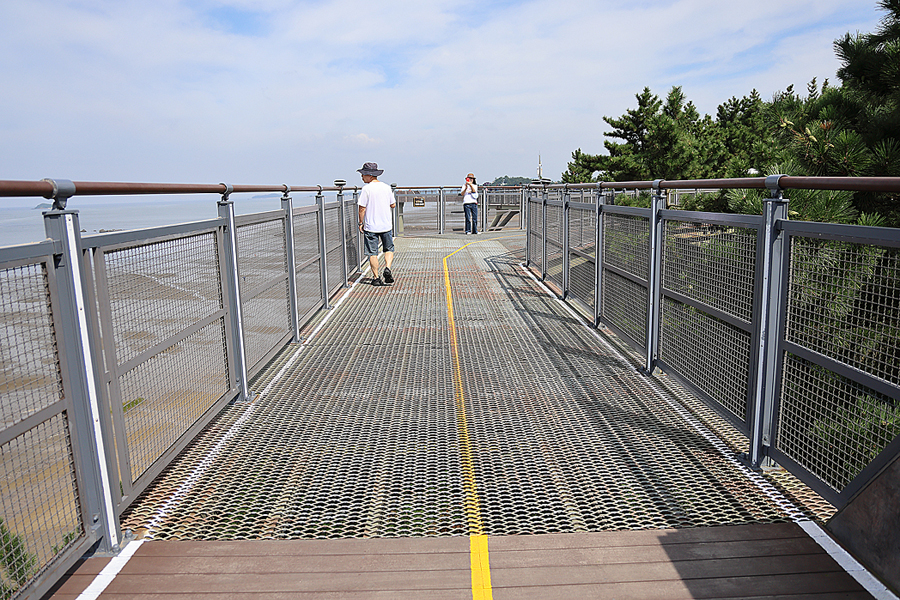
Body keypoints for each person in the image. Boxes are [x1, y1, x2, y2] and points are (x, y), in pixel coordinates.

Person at [357, 162, 396, 286]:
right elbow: (393, 204)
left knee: (372, 253)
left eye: (363, 174)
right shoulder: (386, 187)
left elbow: (362, 208)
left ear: (369, 175)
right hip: (386, 225)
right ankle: (388, 268)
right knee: (389, 249)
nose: (362, 177)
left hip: (371, 226)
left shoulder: (366, 189)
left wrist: (360, 223)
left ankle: (376, 278)